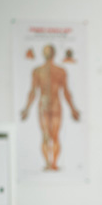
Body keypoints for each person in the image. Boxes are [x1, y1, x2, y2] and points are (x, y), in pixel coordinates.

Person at [20, 43, 81, 171]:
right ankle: (49, 163)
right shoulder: (40, 71)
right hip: (47, 105)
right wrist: (26, 108)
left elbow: (65, 91)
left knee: (53, 135)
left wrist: (73, 109)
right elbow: (33, 91)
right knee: (48, 135)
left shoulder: (58, 71)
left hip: (52, 105)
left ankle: (52, 163)